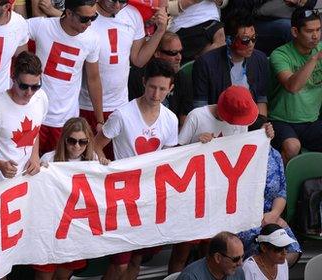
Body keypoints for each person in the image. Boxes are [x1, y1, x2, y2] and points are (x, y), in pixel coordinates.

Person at [172, 86, 275, 273]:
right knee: (181, 251)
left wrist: (263, 134)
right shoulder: (197, 116)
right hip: (193, 195)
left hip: (219, 196)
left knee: (211, 250)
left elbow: (240, 150)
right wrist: (196, 145)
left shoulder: (241, 123)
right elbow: (175, 154)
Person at [94, 58, 178, 280]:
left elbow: (167, 158)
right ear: (143, 82)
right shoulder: (122, 114)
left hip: (149, 198)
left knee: (137, 259)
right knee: (120, 263)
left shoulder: (170, 120)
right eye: (152, 87)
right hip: (122, 195)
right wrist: (105, 166)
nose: (156, 94)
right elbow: (96, 145)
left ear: (170, 89)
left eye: (162, 89)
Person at [78, 0, 168, 160]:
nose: (118, 6)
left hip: (120, 105)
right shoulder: (88, 17)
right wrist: (99, 118)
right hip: (87, 105)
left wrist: (160, 31)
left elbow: (138, 60)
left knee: (114, 161)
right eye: (113, 0)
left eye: (123, 1)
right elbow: (92, 76)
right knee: (86, 160)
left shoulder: (133, 14)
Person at [27, 0, 104, 154]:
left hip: (66, 120)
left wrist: (100, 120)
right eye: (84, 19)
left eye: (93, 18)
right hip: (34, 115)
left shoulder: (92, 39)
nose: (89, 23)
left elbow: (93, 78)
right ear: (68, 13)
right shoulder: (42, 26)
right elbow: (10, 28)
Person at [33, 117, 96, 280]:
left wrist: (105, 166)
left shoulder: (93, 160)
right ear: (64, 139)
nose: (76, 146)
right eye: (72, 141)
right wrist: (40, 172)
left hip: (75, 231)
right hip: (49, 229)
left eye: (82, 142)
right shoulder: (49, 159)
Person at [237, 116, 302, 268]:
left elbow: (281, 191)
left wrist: (274, 214)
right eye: (264, 132)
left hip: (270, 216)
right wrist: (261, 221)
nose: (269, 134)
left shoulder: (274, 155)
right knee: (266, 253)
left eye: (269, 131)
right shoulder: (237, 157)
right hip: (244, 221)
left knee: (291, 250)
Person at [0, 51, 47, 188]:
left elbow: (35, 130)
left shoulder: (41, 98)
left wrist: (35, 156)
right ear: (13, 78)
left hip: (26, 182)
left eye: (35, 86)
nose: (29, 92)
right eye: (24, 86)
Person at [269, 8, 322, 163]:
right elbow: (292, 87)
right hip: (281, 120)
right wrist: (314, 58)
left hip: (312, 121)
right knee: (292, 147)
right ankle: (280, 184)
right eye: (309, 31)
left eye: (319, 30)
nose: (315, 36)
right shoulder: (279, 55)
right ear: (294, 31)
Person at [192, 9, 270, 116]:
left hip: (249, 119)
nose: (251, 44)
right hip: (217, 120)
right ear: (229, 39)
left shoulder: (260, 59)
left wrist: (262, 126)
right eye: (245, 40)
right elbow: (200, 108)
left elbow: (261, 100)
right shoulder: (205, 63)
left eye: (254, 38)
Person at [128, 31, 193, 128]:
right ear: (157, 53)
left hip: (171, 134)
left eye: (180, 52)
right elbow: (130, 116)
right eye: (173, 53)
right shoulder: (136, 76)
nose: (179, 57)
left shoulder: (182, 78)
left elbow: (184, 120)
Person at [177, 231, 246, 280]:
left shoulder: (238, 272)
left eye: (242, 257)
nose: (240, 263)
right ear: (218, 258)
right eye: (235, 259)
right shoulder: (191, 277)